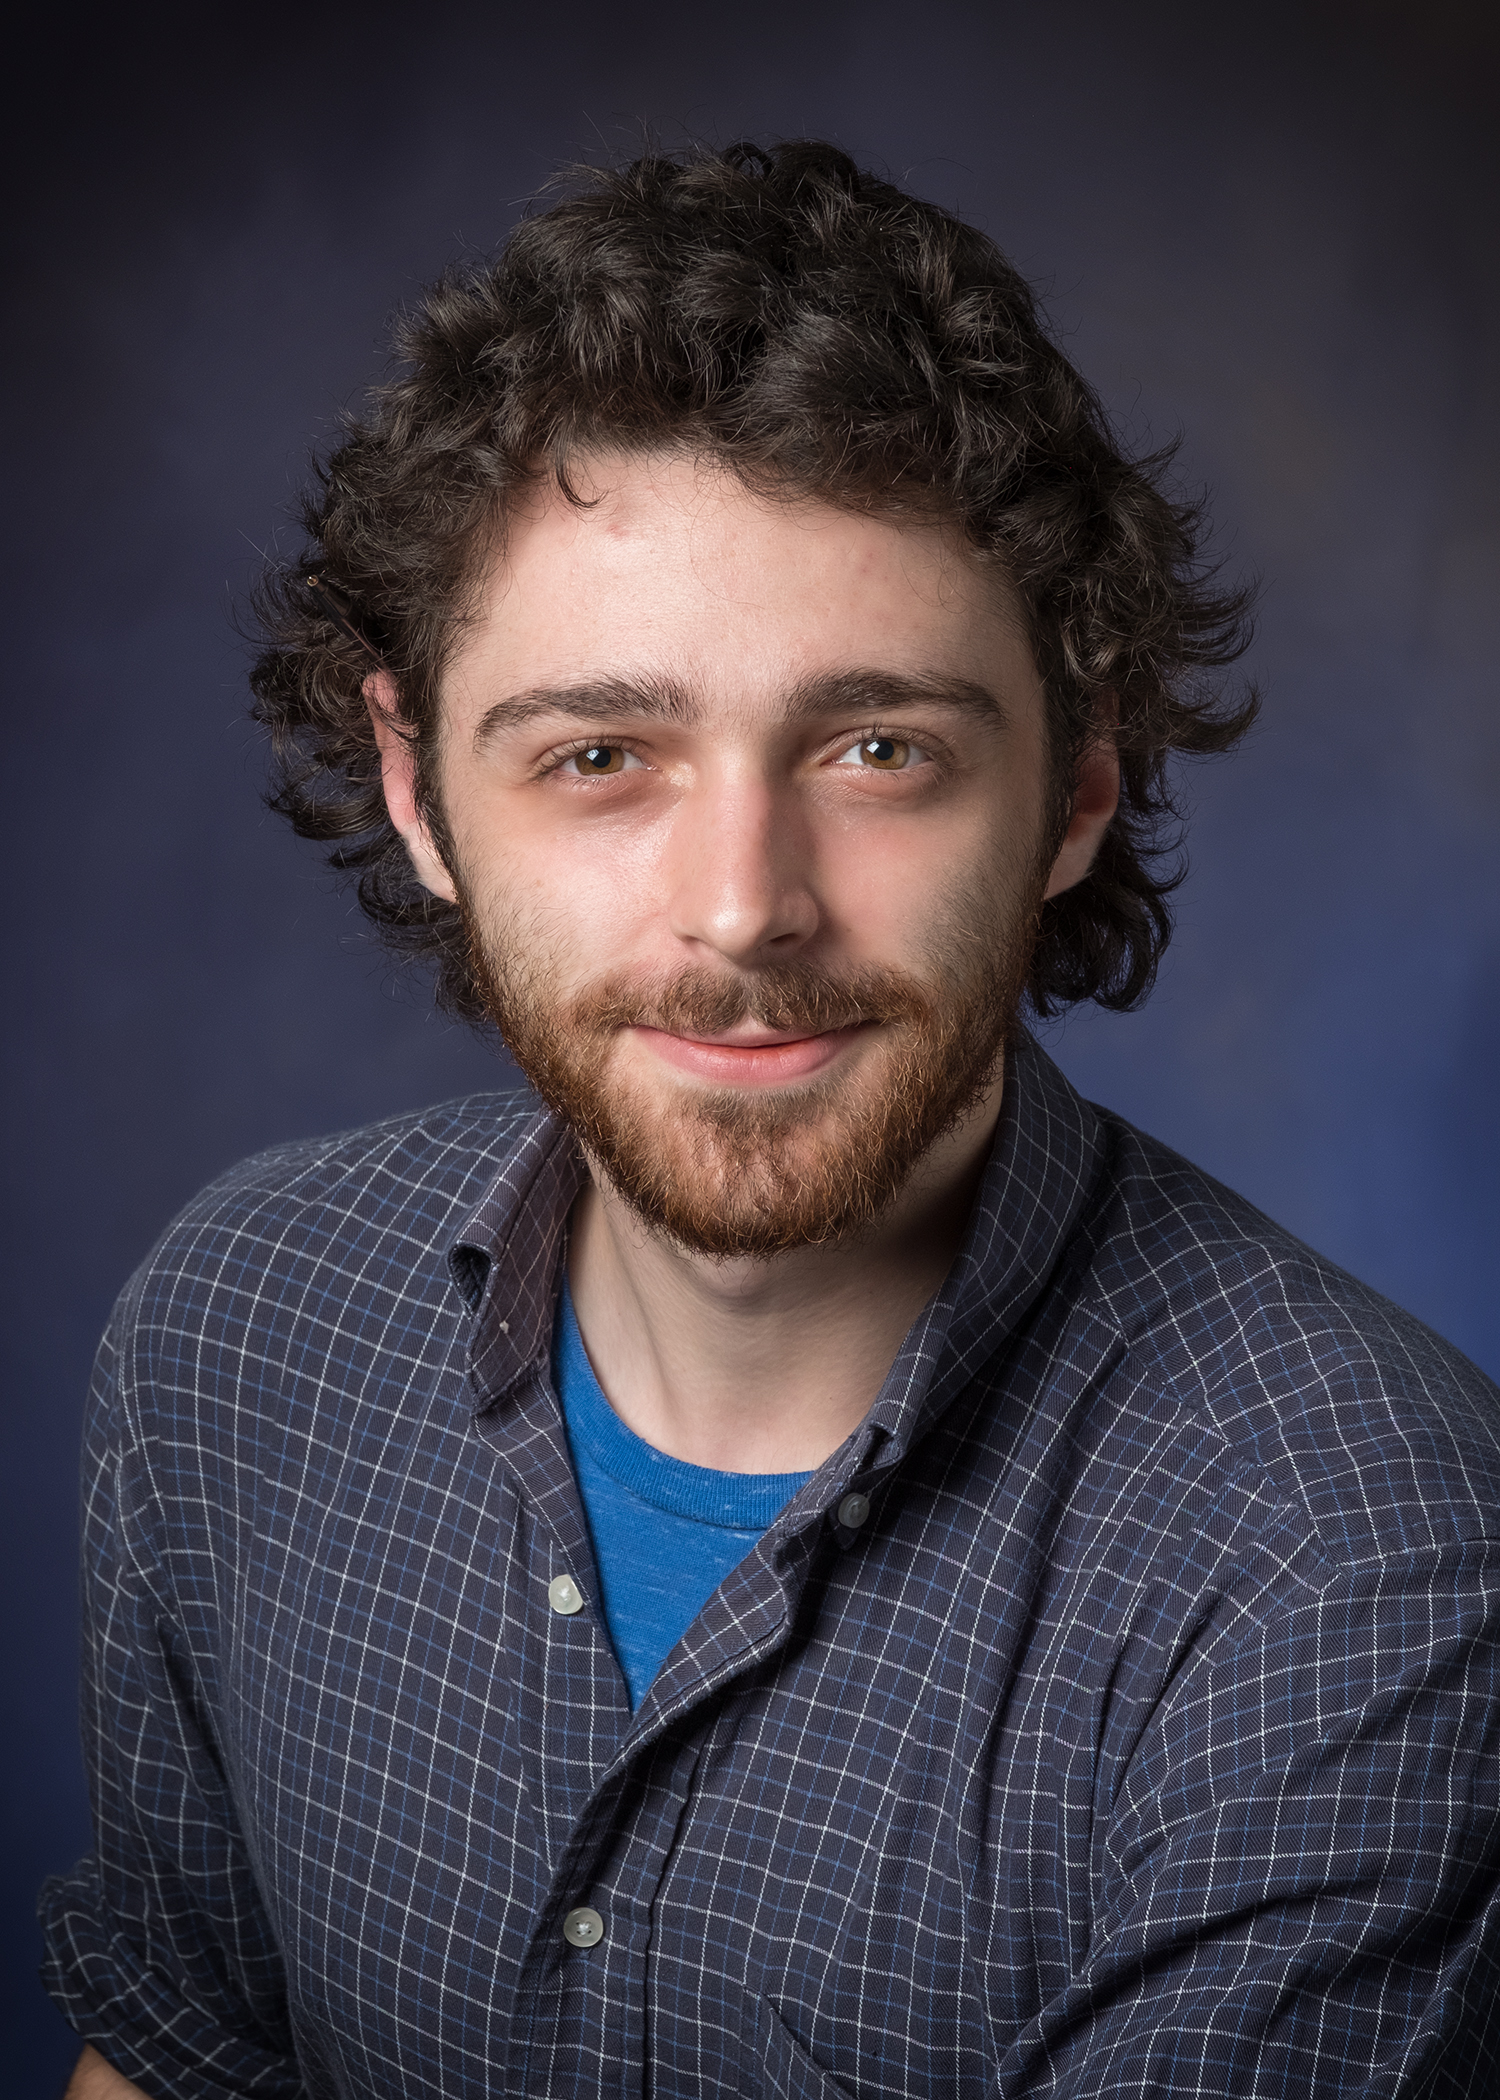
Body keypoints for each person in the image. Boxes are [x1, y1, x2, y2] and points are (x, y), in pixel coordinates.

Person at [42, 140, 1499, 2100]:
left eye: (878, 749)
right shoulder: (231, 1333)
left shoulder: (1356, 1564)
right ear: (416, 791)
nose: (745, 903)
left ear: (1078, 788)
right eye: (600, 755)